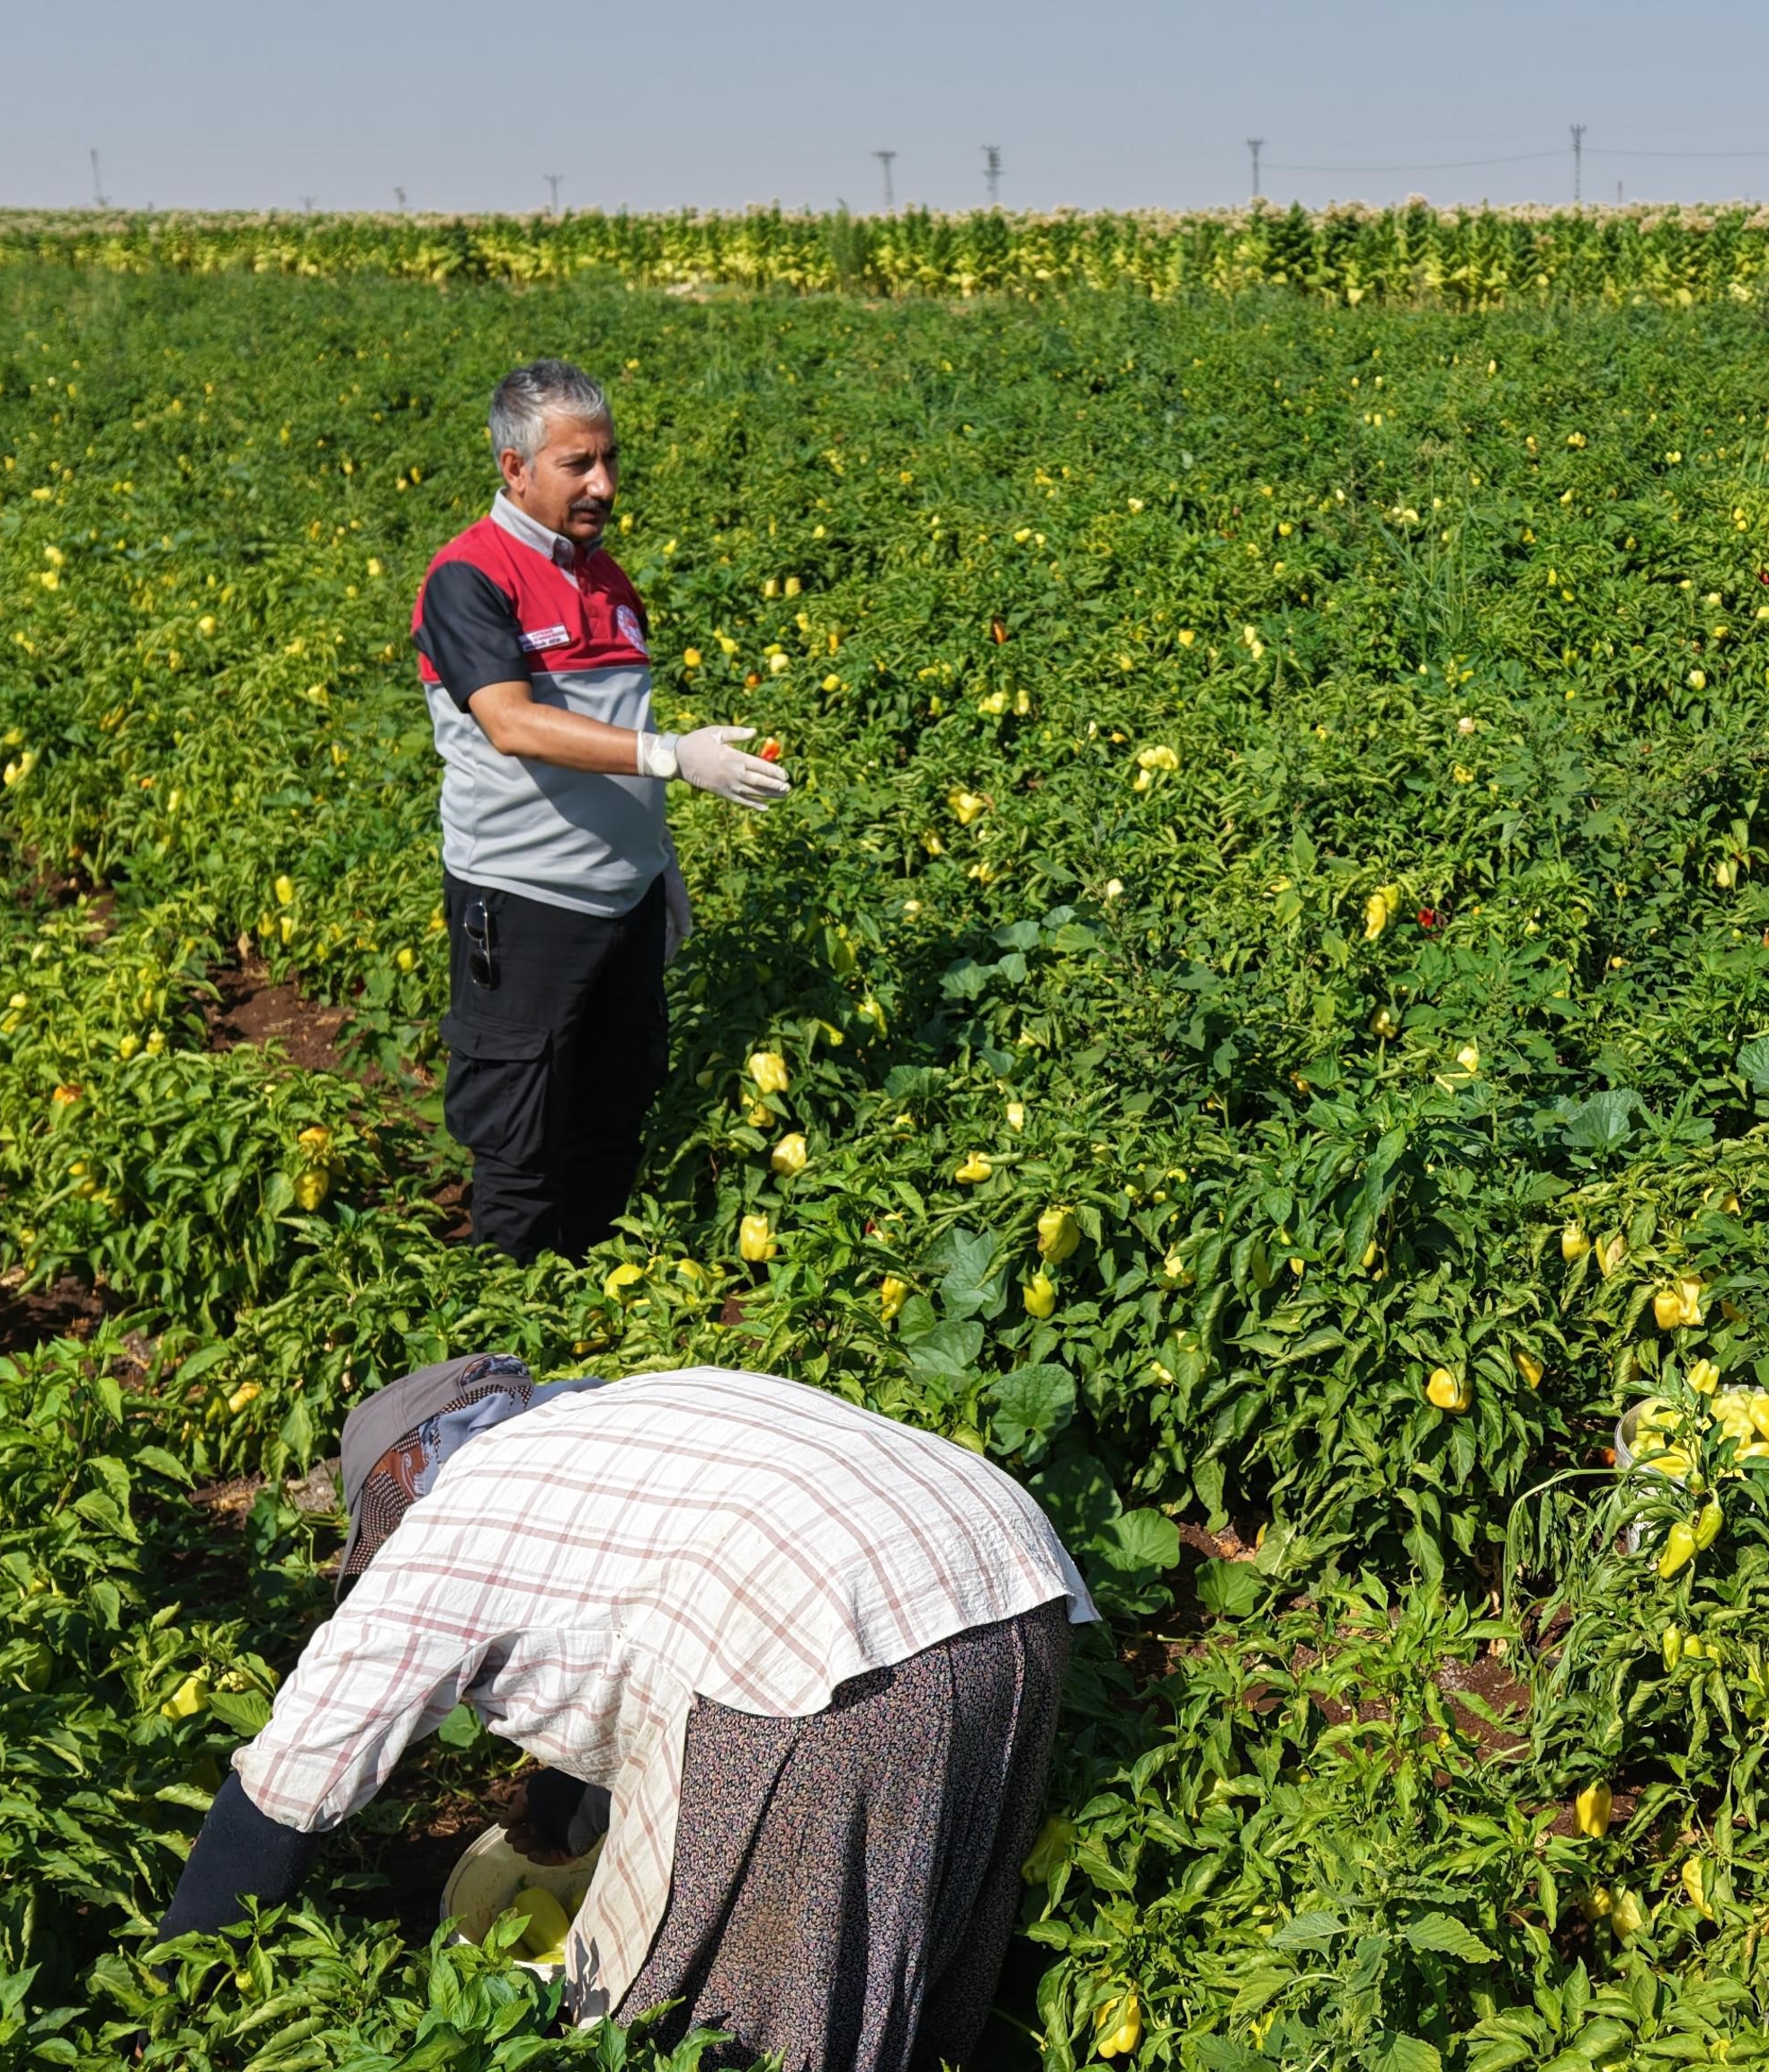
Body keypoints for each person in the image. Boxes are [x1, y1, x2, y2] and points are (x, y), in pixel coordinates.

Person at [156, 1354, 1096, 2069]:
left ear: (402, 1488)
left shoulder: (452, 1519)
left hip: (830, 1655)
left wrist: (174, 1989)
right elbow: (632, 1608)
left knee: (735, 2019)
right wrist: (573, 1808)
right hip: (1013, 1585)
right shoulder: (642, 1407)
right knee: (920, 1938)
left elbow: (290, 1779)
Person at [411, 360, 791, 1261]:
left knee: (612, 1118)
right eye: (577, 465)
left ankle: (585, 1321)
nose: (604, 485)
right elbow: (510, 723)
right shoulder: (468, 577)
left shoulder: (611, 581)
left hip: (623, 903)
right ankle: (504, 1359)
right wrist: (672, 758)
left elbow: (623, 722)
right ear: (513, 467)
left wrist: (659, 863)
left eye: (610, 461)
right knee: (520, 1144)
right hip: (525, 905)